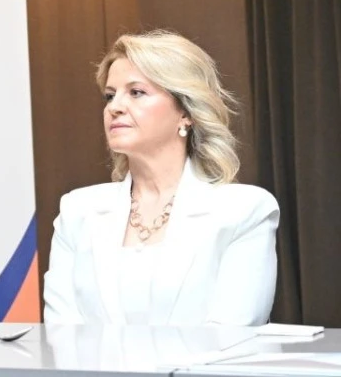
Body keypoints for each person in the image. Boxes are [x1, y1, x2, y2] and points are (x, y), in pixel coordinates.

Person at [43, 31, 279, 325]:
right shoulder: (77, 210)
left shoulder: (244, 210)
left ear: (186, 112)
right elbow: (61, 333)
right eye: (110, 95)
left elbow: (231, 334)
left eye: (136, 92)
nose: (114, 107)